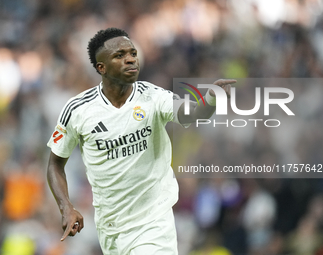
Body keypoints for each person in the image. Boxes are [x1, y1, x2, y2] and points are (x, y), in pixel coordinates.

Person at [47, 27, 235, 255]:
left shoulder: (153, 97)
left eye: (133, 53)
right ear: (101, 67)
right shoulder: (78, 109)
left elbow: (192, 114)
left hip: (153, 222)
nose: (130, 60)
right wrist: (66, 206)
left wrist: (210, 100)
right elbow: (55, 164)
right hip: (111, 227)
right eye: (120, 55)